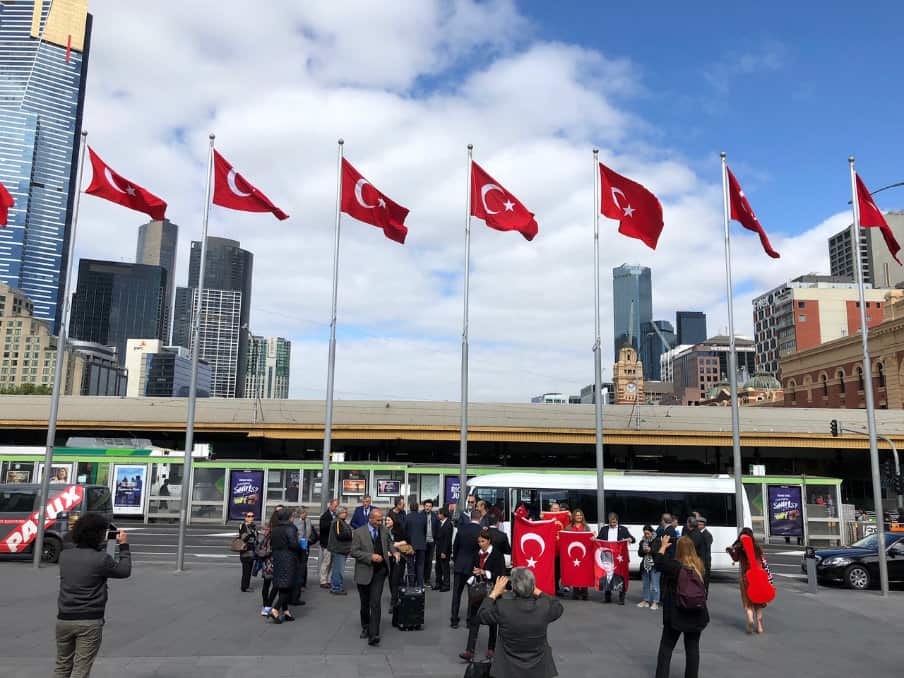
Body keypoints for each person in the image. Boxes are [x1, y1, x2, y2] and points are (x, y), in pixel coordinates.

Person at [54, 513, 130, 678]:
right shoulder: (101, 559)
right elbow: (124, 571)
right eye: (103, 533)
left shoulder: (64, 556)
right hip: (88, 621)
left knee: (62, 666)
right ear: (97, 535)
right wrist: (123, 546)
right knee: (80, 670)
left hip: (64, 619)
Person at [477, 568, 564, 678]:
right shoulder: (544, 606)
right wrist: (536, 590)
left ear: (513, 588)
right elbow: (557, 606)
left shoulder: (503, 607)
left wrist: (494, 592)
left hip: (508, 669)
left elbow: (482, 615)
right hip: (538, 669)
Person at [653, 535, 709, 678]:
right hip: (697, 612)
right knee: (692, 649)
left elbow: (658, 562)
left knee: (666, 647)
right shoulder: (699, 566)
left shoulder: (676, 566)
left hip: (677, 614)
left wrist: (664, 545)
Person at [460, 529, 506, 662]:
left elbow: (500, 574)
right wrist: (471, 578)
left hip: (492, 591)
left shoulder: (497, 555)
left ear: (489, 541)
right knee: (474, 620)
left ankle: (491, 648)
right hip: (477, 591)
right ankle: (469, 650)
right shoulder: (476, 554)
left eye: (483, 541)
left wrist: (485, 572)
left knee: (492, 621)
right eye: (479, 541)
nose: (480, 544)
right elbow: (470, 570)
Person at [350, 507, 392, 646]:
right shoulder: (359, 532)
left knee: (375, 602)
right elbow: (354, 552)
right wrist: (370, 557)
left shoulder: (384, 530)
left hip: (380, 572)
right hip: (364, 572)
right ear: (371, 519)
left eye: (382, 520)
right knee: (365, 604)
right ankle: (366, 627)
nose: (381, 522)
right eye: (378, 520)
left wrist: (395, 551)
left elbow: (389, 543)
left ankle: (374, 634)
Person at [727, 528, 771, 634]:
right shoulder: (757, 547)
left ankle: (750, 620)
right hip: (759, 577)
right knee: (758, 602)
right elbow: (763, 560)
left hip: (746, 577)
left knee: (748, 602)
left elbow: (735, 559)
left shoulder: (739, 547)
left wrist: (730, 551)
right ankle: (760, 627)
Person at [268, 508, 303, 623]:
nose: (293, 518)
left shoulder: (275, 529)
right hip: (288, 558)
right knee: (289, 585)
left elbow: (272, 544)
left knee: (282, 584)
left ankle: (286, 611)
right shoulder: (291, 528)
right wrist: (300, 547)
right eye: (292, 516)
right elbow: (294, 544)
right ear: (289, 517)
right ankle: (275, 609)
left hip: (277, 557)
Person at [450, 509, 483, 629]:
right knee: (472, 595)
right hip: (473, 567)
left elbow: (455, 546)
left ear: (470, 518)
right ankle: (470, 620)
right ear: (480, 518)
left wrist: (457, 560)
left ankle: (454, 619)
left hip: (460, 565)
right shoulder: (481, 532)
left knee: (456, 593)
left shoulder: (461, 529)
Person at [564, 509, 591, 600]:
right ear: (574, 517)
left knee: (584, 573)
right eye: (577, 515)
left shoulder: (586, 527)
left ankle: (584, 592)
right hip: (573, 554)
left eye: (580, 515)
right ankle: (575, 592)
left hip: (584, 554)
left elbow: (590, 539)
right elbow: (565, 539)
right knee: (575, 572)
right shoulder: (569, 527)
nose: (579, 517)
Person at [257, 511, 278, 617]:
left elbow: (259, 544)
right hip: (275, 560)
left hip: (266, 560)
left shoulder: (265, 530)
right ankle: (269, 605)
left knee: (266, 583)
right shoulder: (277, 531)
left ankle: (265, 605)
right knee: (276, 584)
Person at [292, 507, 317, 596]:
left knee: (303, 564)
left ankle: (302, 583)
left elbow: (309, 532)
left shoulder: (308, 521)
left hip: (305, 544)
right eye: (304, 513)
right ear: (300, 513)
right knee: (296, 563)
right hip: (297, 545)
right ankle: (296, 582)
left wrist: (307, 539)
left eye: (306, 513)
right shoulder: (294, 521)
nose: (306, 514)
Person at [328, 506, 353, 595]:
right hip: (339, 549)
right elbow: (340, 535)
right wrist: (351, 535)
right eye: (344, 512)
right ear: (340, 513)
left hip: (342, 549)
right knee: (338, 570)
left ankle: (336, 586)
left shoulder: (342, 522)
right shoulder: (337, 522)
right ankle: (336, 587)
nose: (346, 514)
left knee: (337, 569)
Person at [405, 500, 428, 587]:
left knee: (410, 565)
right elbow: (425, 530)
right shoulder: (423, 517)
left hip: (410, 544)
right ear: (418, 508)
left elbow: (405, 530)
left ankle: (411, 584)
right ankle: (420, 584)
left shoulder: (407, 517)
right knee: (420, 565)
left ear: (410, 508)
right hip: (421, 544)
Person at [637, 524, 661, 610]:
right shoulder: (643, 541)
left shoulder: (657, 540)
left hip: (655, 565)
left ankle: (655, 602)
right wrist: (644, 551)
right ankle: (646, 600)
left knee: (655, 585)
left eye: (648, 533)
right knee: (645, 584)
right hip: (645, 565)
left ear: (652, 532)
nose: (646, 535)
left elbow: (659, 553)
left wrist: (651, 550)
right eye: (645, 534)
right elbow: (639, 553)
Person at [318, 498, 338, 589]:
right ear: (330, 505)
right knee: (326, 562)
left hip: (333, 543)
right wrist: (332, 523)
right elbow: (323, 528)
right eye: (335, 506)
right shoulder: (325, 516)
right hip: (326, 543)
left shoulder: (336, 515)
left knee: (331, 563)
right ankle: (323, 580)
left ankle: (329, 580)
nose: (336, 508)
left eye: (337, 506)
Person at [238, 511, 258, 592]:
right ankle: (244, 587)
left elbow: (256, 537)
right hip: (245, 551)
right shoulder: (243, 526)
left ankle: (246, 585)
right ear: (245, 517)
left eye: (252, 516)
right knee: (246, 570)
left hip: (252, 550)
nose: (251, 518)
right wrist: (250, 532)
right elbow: (243, 538)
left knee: (249, 569)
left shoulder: (253, 526)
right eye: (249, 516)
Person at [434, 507, 454, 592]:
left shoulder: (448, 524)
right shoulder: (439, 523)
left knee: (445, 568)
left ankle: (446, 585)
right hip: (438, 549)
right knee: (437, 567)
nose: (438, 515)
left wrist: (444, 552)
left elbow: (447, 539)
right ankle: (438, 583)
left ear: (443, 514)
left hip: (444, 550)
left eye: (439, 513)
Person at [693, 513, 713, 594]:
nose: (698, 525)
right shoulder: (698, 533)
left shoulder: (707, 535)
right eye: (697, 524)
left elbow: (706, 549)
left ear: (704, 525)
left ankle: (704, 594)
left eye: (700, 524)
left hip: (704, 560)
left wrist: (703, 562)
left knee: (705, 578)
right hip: (699, 559)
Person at [423, 499, 440, 587]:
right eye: (426, 506)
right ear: (424, 506)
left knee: (429, 561)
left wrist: (435, 540)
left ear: (432, 507)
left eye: (430, 506)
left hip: (431, 542)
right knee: (421, 561)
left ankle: (427, 579)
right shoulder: (420, 515)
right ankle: (420, 579)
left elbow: (437, 528)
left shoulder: (434, 516)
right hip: (422, 541)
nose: (428, 508)